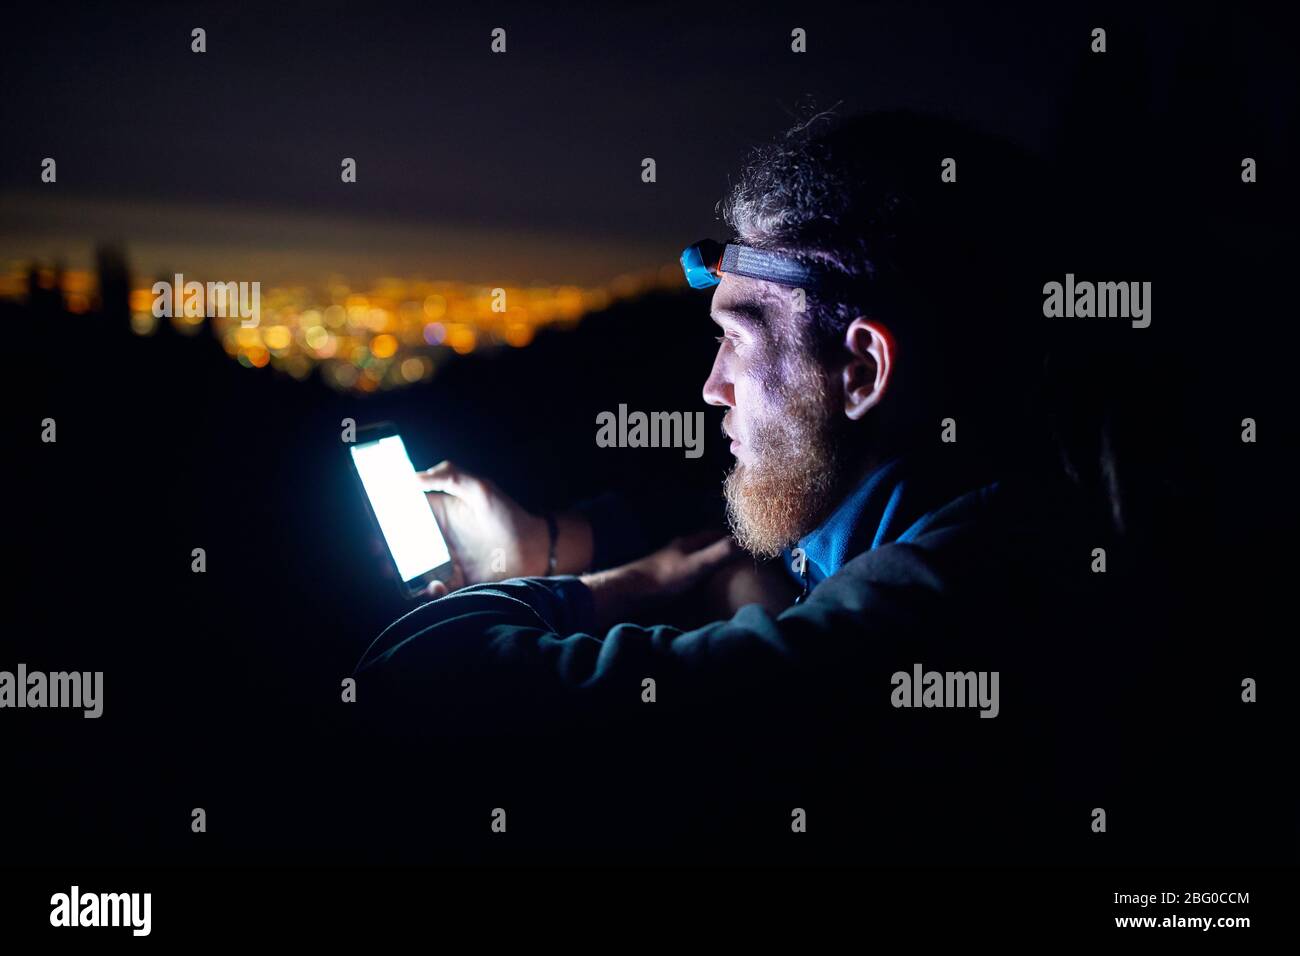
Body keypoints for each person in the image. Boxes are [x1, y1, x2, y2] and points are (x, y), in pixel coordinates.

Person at [351, 111, 1186, 862]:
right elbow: (719, 526)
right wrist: (551, 545)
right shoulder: (982, 508)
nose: (713, 386)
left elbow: (417, 679)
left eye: (739, 339)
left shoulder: (940, 613)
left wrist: (599, 589)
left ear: (861, 369)